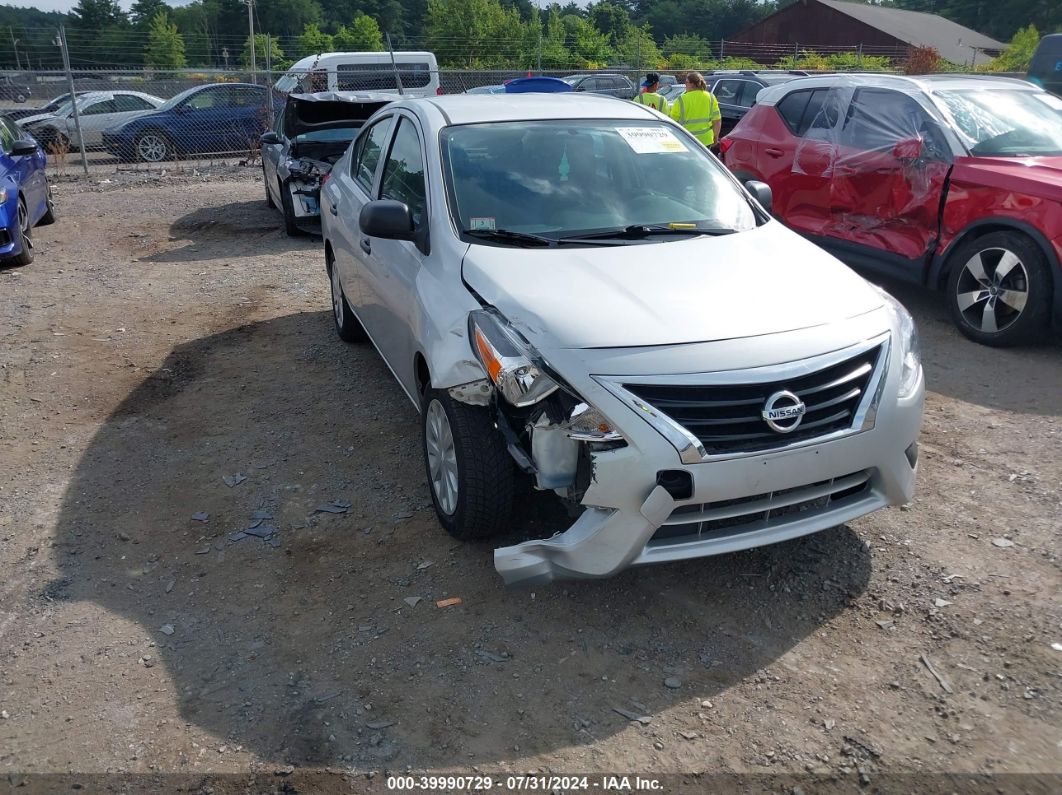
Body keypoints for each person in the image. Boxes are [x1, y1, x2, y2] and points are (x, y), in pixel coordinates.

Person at [669, 71, 722, 147]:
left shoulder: (681, 99)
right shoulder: (711, 97)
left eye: (686, 82)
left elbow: (673, 121)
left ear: (692, 84)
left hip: (687, 139)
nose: (685, 84)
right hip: (706, 140)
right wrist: (716, 136)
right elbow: (717, 120)